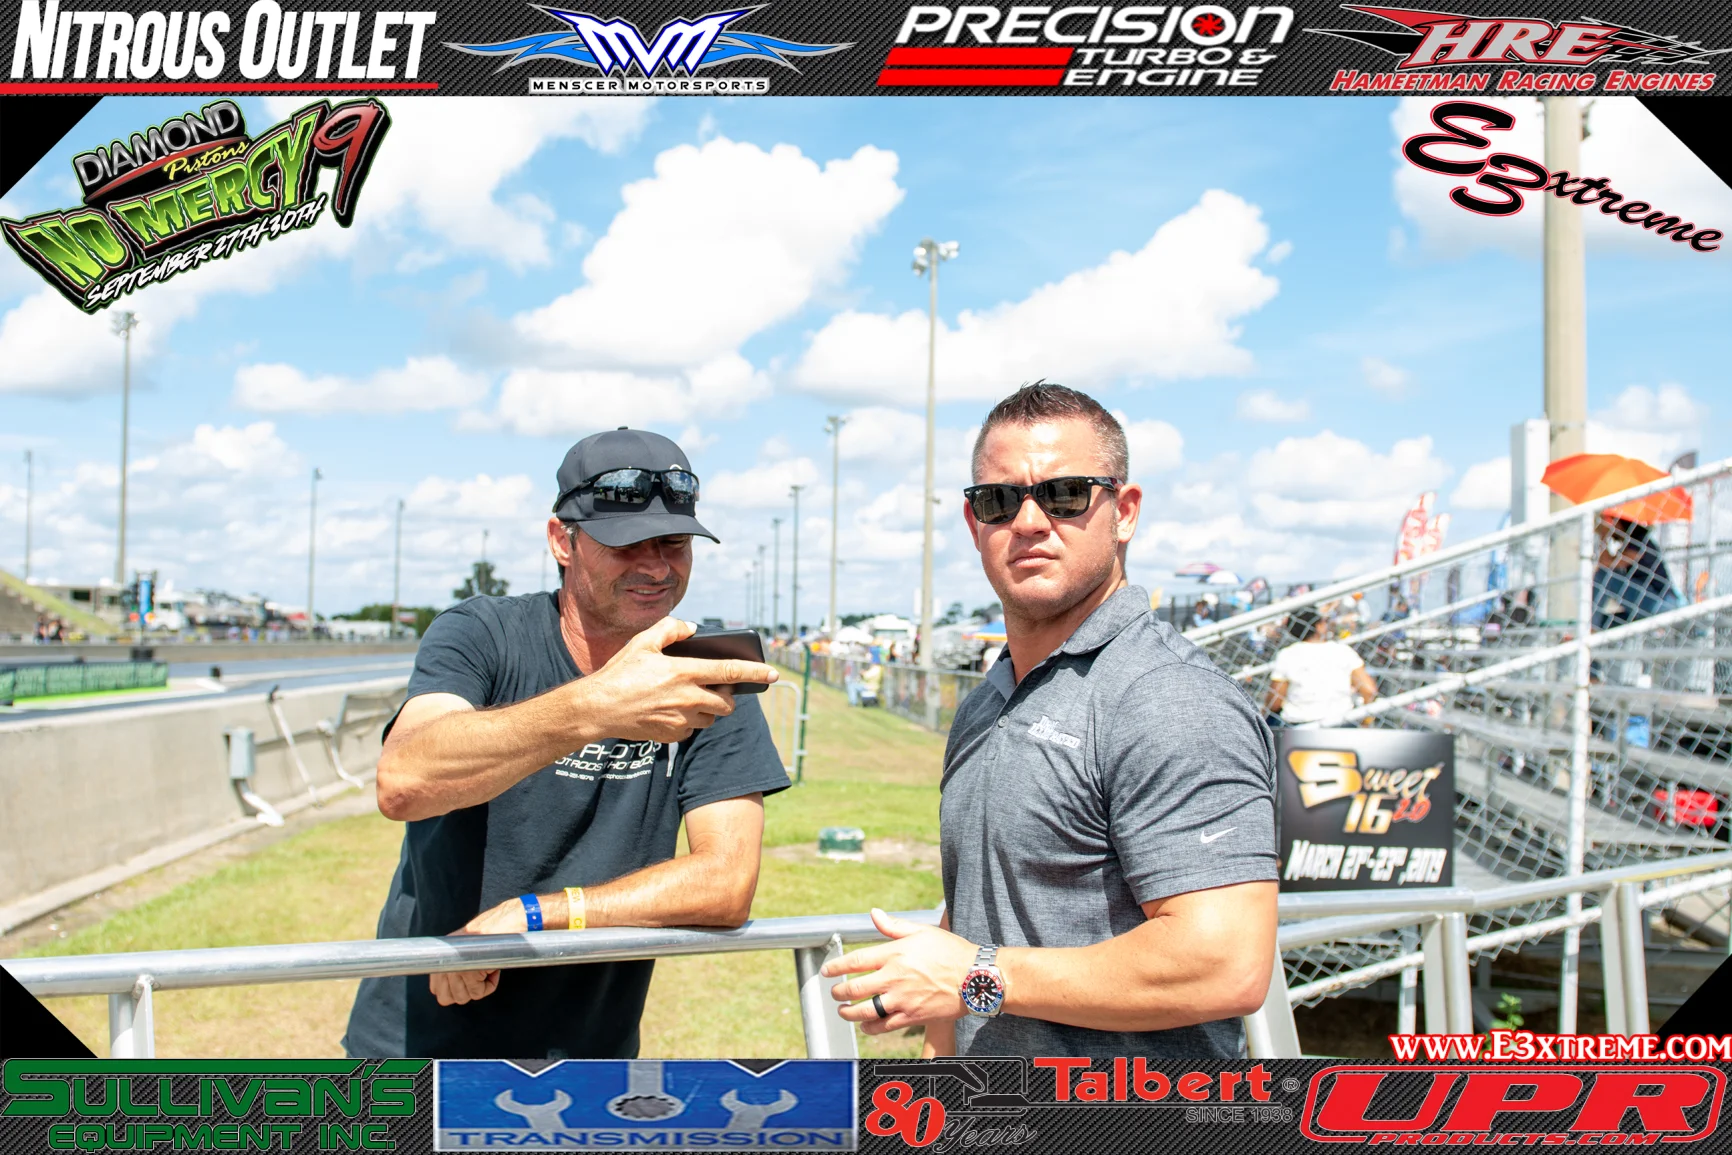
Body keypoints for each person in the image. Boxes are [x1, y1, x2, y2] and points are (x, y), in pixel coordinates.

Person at [823, 382, 1278, 1058]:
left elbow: (1223, 964)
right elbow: (974, 916)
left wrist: (976, 977)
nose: (1029, 521)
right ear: (974, 522)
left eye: (1065, 495)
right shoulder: (989, 699)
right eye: (999, 500)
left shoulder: (1170, 698)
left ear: (1125, 512)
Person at [344, 427, 790, 1059]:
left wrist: (538, 914)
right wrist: (598, 705)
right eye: (626, 543)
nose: (656, 566)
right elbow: (404, 782)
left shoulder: (704, 673)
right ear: (562, 540)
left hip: (593, 1060)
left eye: (674, 543)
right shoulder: (483, 633)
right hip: (417, 1043)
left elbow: (726, 883)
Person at [1264, 606, 1378, 726]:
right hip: (1340, 722)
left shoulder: (1287, 654)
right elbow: (1369, 691)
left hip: (1298, 724)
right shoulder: (1343, 651)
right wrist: (1365, 722)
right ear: (1319, 626)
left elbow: (1275, 701)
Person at [1594, 518, 1681, 631]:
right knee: (1604, 622)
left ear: (1622, 525)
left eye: (1614, 522)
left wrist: (1604, 535)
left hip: (1661, 603)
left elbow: (1606, 565)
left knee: (1606, 574)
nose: (1612, 526)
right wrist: (1604, 536)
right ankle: (1591, 626)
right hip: (1648, 604)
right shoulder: (1630, 545)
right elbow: (1605, 562)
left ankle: (1590, 626)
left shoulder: (1640, 543)